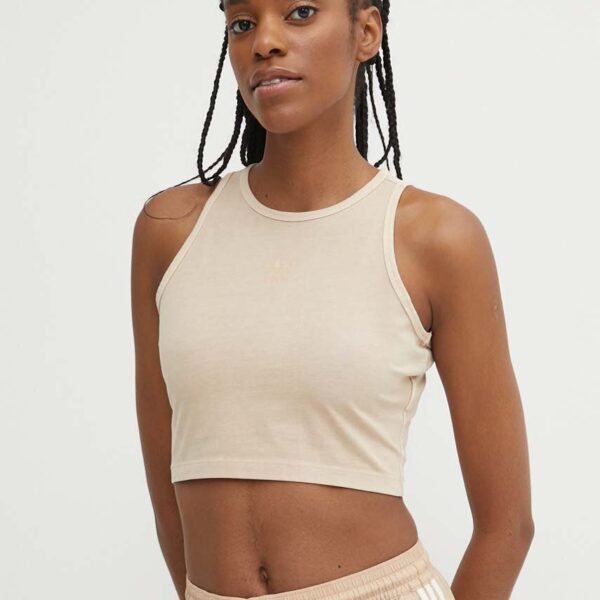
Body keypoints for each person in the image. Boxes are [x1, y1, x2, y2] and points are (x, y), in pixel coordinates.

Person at [130, 1, 534, 599]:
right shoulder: (171, 230)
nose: (264, 42)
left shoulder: (434, 239)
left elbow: (507, 527)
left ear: (365, 32)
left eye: (299, 12)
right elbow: (167, 491)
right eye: (242, 23)